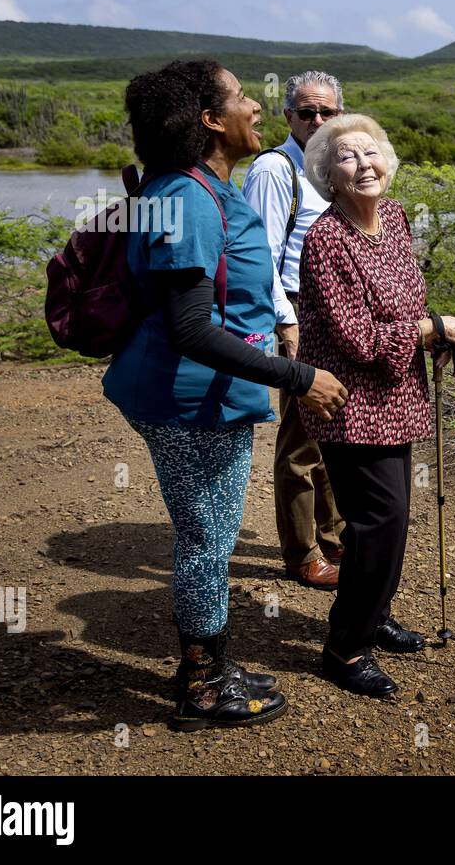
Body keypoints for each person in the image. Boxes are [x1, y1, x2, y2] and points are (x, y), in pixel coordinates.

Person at [103, 59, 347, 729]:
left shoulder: (203, 186)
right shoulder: (188, 198)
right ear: (210, 119)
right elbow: (188, 328)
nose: (257, 106)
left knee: (204, 536)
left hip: (204, 397)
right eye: (241, 96)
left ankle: (212, 664)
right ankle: (204, 687)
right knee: (206, 540)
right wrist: (299, 378)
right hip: (190, 403)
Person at [297, 113, 455, 697]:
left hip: (398, 393)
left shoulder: (396, 218)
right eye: (346, 158)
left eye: (370, 152)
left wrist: (439, 335)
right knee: (380, 522)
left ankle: (372, 616)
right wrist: (432, 329)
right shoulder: (328, 240)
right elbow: (356, 337)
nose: (362, 165)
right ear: (329, 174)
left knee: (389, 522)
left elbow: (409, 304)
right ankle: (344, 650)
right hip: (349, 401)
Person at [242, 70, 346, 590]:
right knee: (303, 438)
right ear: (289, 117)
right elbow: (257, 258)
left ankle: (333, 535)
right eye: (307, 112)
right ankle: (302, 552)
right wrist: (287, 323)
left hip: (336, 315)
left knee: (334, 430)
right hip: (298, 314)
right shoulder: (274, 169)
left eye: (327, 112)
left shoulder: (331, 169)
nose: (318, 120)